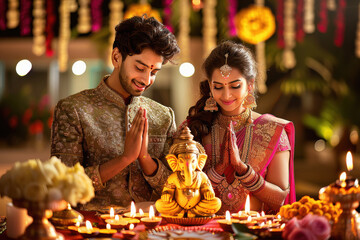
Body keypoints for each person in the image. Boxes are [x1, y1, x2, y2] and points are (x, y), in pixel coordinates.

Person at [51, 16, 180, 210]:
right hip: (93, 230)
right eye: (140, 67)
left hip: (151, 229)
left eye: (154, 72)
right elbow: (62, 188)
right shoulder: (74, 110)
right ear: (116, 57)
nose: (146, 79)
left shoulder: (163, 116)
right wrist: (124, 159)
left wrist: (145, 159)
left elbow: (178, 189)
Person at [183, 41, 295, 214]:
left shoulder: (273, 130)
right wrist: (218, 170)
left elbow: (281, 199)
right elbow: (182, 195)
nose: (226, 95)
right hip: (205, 231)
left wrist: (244, 171)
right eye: (218, 87)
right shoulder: (193, 129)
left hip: (254, 232)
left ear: (250, 85)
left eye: (235, 86)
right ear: (210, 87)